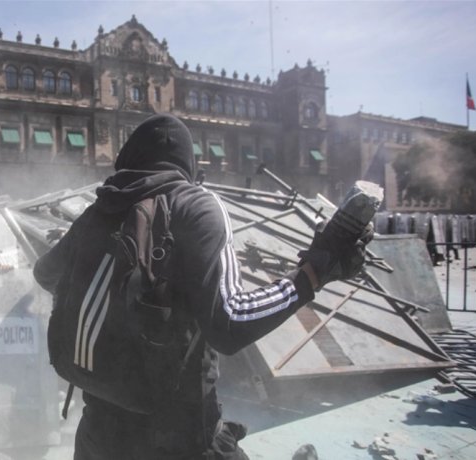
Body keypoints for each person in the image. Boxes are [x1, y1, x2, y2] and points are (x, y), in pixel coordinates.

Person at [33, 113, 369, 459]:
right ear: (189, 165)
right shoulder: (196, 205)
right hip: (177, 438)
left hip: (97, 434)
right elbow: (230, 322)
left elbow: (44, 274)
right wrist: (312, 275)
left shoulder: (96, 213)